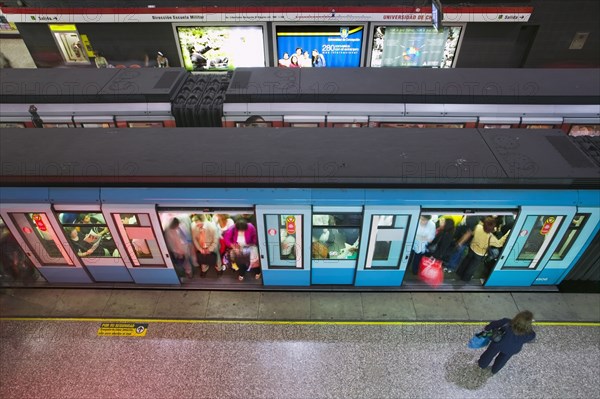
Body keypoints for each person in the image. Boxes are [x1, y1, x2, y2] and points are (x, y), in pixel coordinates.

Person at [456, 217, 510, 283]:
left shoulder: (478, 227)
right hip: (480, 254)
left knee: (466, 261)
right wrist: (507, 234)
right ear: (492, 228)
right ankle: (465, 278)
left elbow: (472, 232)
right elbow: (499, 244)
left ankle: (459, 272)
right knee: (472, 266)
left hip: (472, 248)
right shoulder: (491, 238)